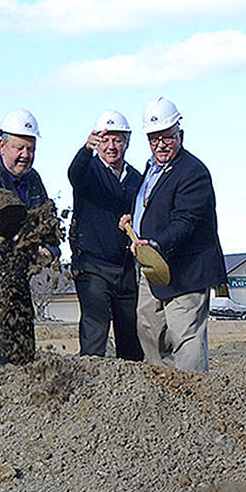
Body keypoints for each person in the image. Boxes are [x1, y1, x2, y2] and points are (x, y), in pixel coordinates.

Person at [118, 96, 226, 371]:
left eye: (167, 137)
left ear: (181, 134)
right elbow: (154, 205)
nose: (161, 144)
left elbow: (186, 221)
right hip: (153, 268)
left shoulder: (193, 172)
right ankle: (162, 393)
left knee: (185, 337)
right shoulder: (151, 168)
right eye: (154, 139)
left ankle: (195, 396)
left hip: (186, 270)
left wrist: (155, 242)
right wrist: (135, 217)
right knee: (148, 330)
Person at [0, 109, 61, 367]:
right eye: (19, 148)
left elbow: (47, 225)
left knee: (24, 353)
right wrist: (26, 240)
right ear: (2, 145)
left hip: (15, 278)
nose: (25, 155)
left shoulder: (34, 180)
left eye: (30, 149)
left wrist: (49, 250)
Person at [68, 109, 144, 359]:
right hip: (92, 266)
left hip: (124, 267)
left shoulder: (136, 178)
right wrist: (85, 149)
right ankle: (90, 384)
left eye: (118, 140)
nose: (111, 146)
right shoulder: (88, 170)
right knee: (95, 329)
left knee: (131, 335)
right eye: (105, 140)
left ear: (127, 142)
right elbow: (74, 174)